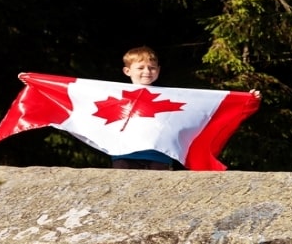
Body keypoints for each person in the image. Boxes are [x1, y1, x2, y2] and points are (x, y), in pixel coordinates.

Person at [109, 46, 261, 170]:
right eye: (140, 68)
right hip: (124, 155)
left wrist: (248, 99)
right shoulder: (113, 95)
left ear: (158, 70)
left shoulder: (172, 97)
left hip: (160, 156)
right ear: (127, 71)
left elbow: (201, 107)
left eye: (152, 68)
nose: (147, 72)